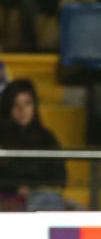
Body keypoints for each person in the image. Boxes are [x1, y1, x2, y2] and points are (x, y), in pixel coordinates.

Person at [0, 80, 66, 211]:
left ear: (34, 105)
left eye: (27, 103)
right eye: (16, 104)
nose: (22, 110)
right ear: (8, 107)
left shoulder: (47, 138)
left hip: (40, 199)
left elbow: (60, 177)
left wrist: (32, 189)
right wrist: (16, 188)